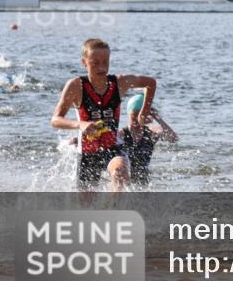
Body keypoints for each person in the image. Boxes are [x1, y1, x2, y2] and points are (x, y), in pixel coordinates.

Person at [50, 38, 157, 191]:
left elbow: (150, 83)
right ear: (84, 62)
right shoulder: (76, 86)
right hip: (87, 153)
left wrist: (143, 112)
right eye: (95, 63)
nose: (102, 67)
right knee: (86, 203)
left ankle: (112, 205)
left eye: (105, 62)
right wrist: (81, 124)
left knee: (120, 172)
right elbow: (55, 120)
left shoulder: (119, 83)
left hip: (112, 148)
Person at [121, 90, 178, 186]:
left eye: (140, 114)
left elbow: (173, 138)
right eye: (134, 115)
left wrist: (157, 118)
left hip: (144, 180)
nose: (137, 119)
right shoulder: (122, 135)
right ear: (129, 114)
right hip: (126, 179)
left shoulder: (151, 133)